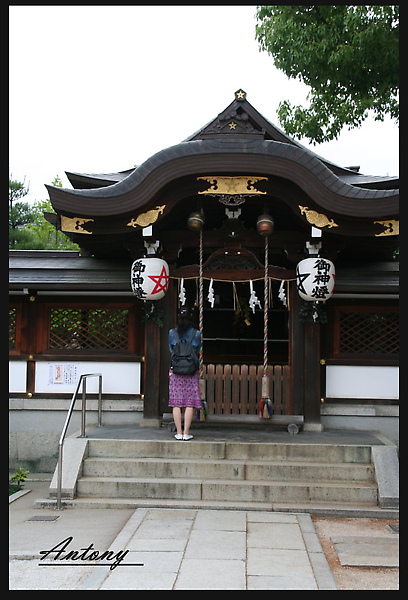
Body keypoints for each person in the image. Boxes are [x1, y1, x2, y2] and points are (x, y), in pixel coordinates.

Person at [168, 306, 201, 440]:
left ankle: (179, 432)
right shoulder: (196, 334)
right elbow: (197, 349)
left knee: (176, 403)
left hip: (176, 370)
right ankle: (186, 433)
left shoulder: (172, 333)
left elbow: (171, 349)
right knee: (189, 402)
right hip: (191, 370)